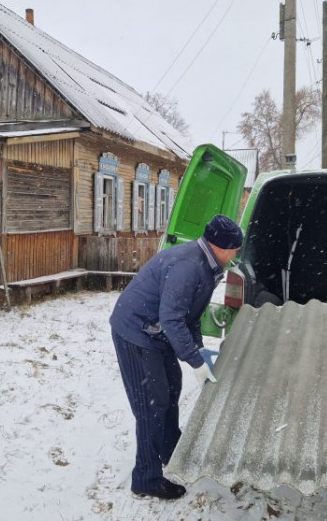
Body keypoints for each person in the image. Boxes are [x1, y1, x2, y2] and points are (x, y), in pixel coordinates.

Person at [110, 214, 243, 500]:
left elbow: (190, 314)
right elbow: (172, 319)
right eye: (235, 248)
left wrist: (198, 350)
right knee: (151, 405)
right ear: (220, 246)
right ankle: (145, 478)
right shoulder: (188, 266)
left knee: (171, 388)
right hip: (136, 331)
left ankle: (171, 449)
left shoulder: (209, 264)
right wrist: (195, 361)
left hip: (157, 331)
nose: (237, 254)